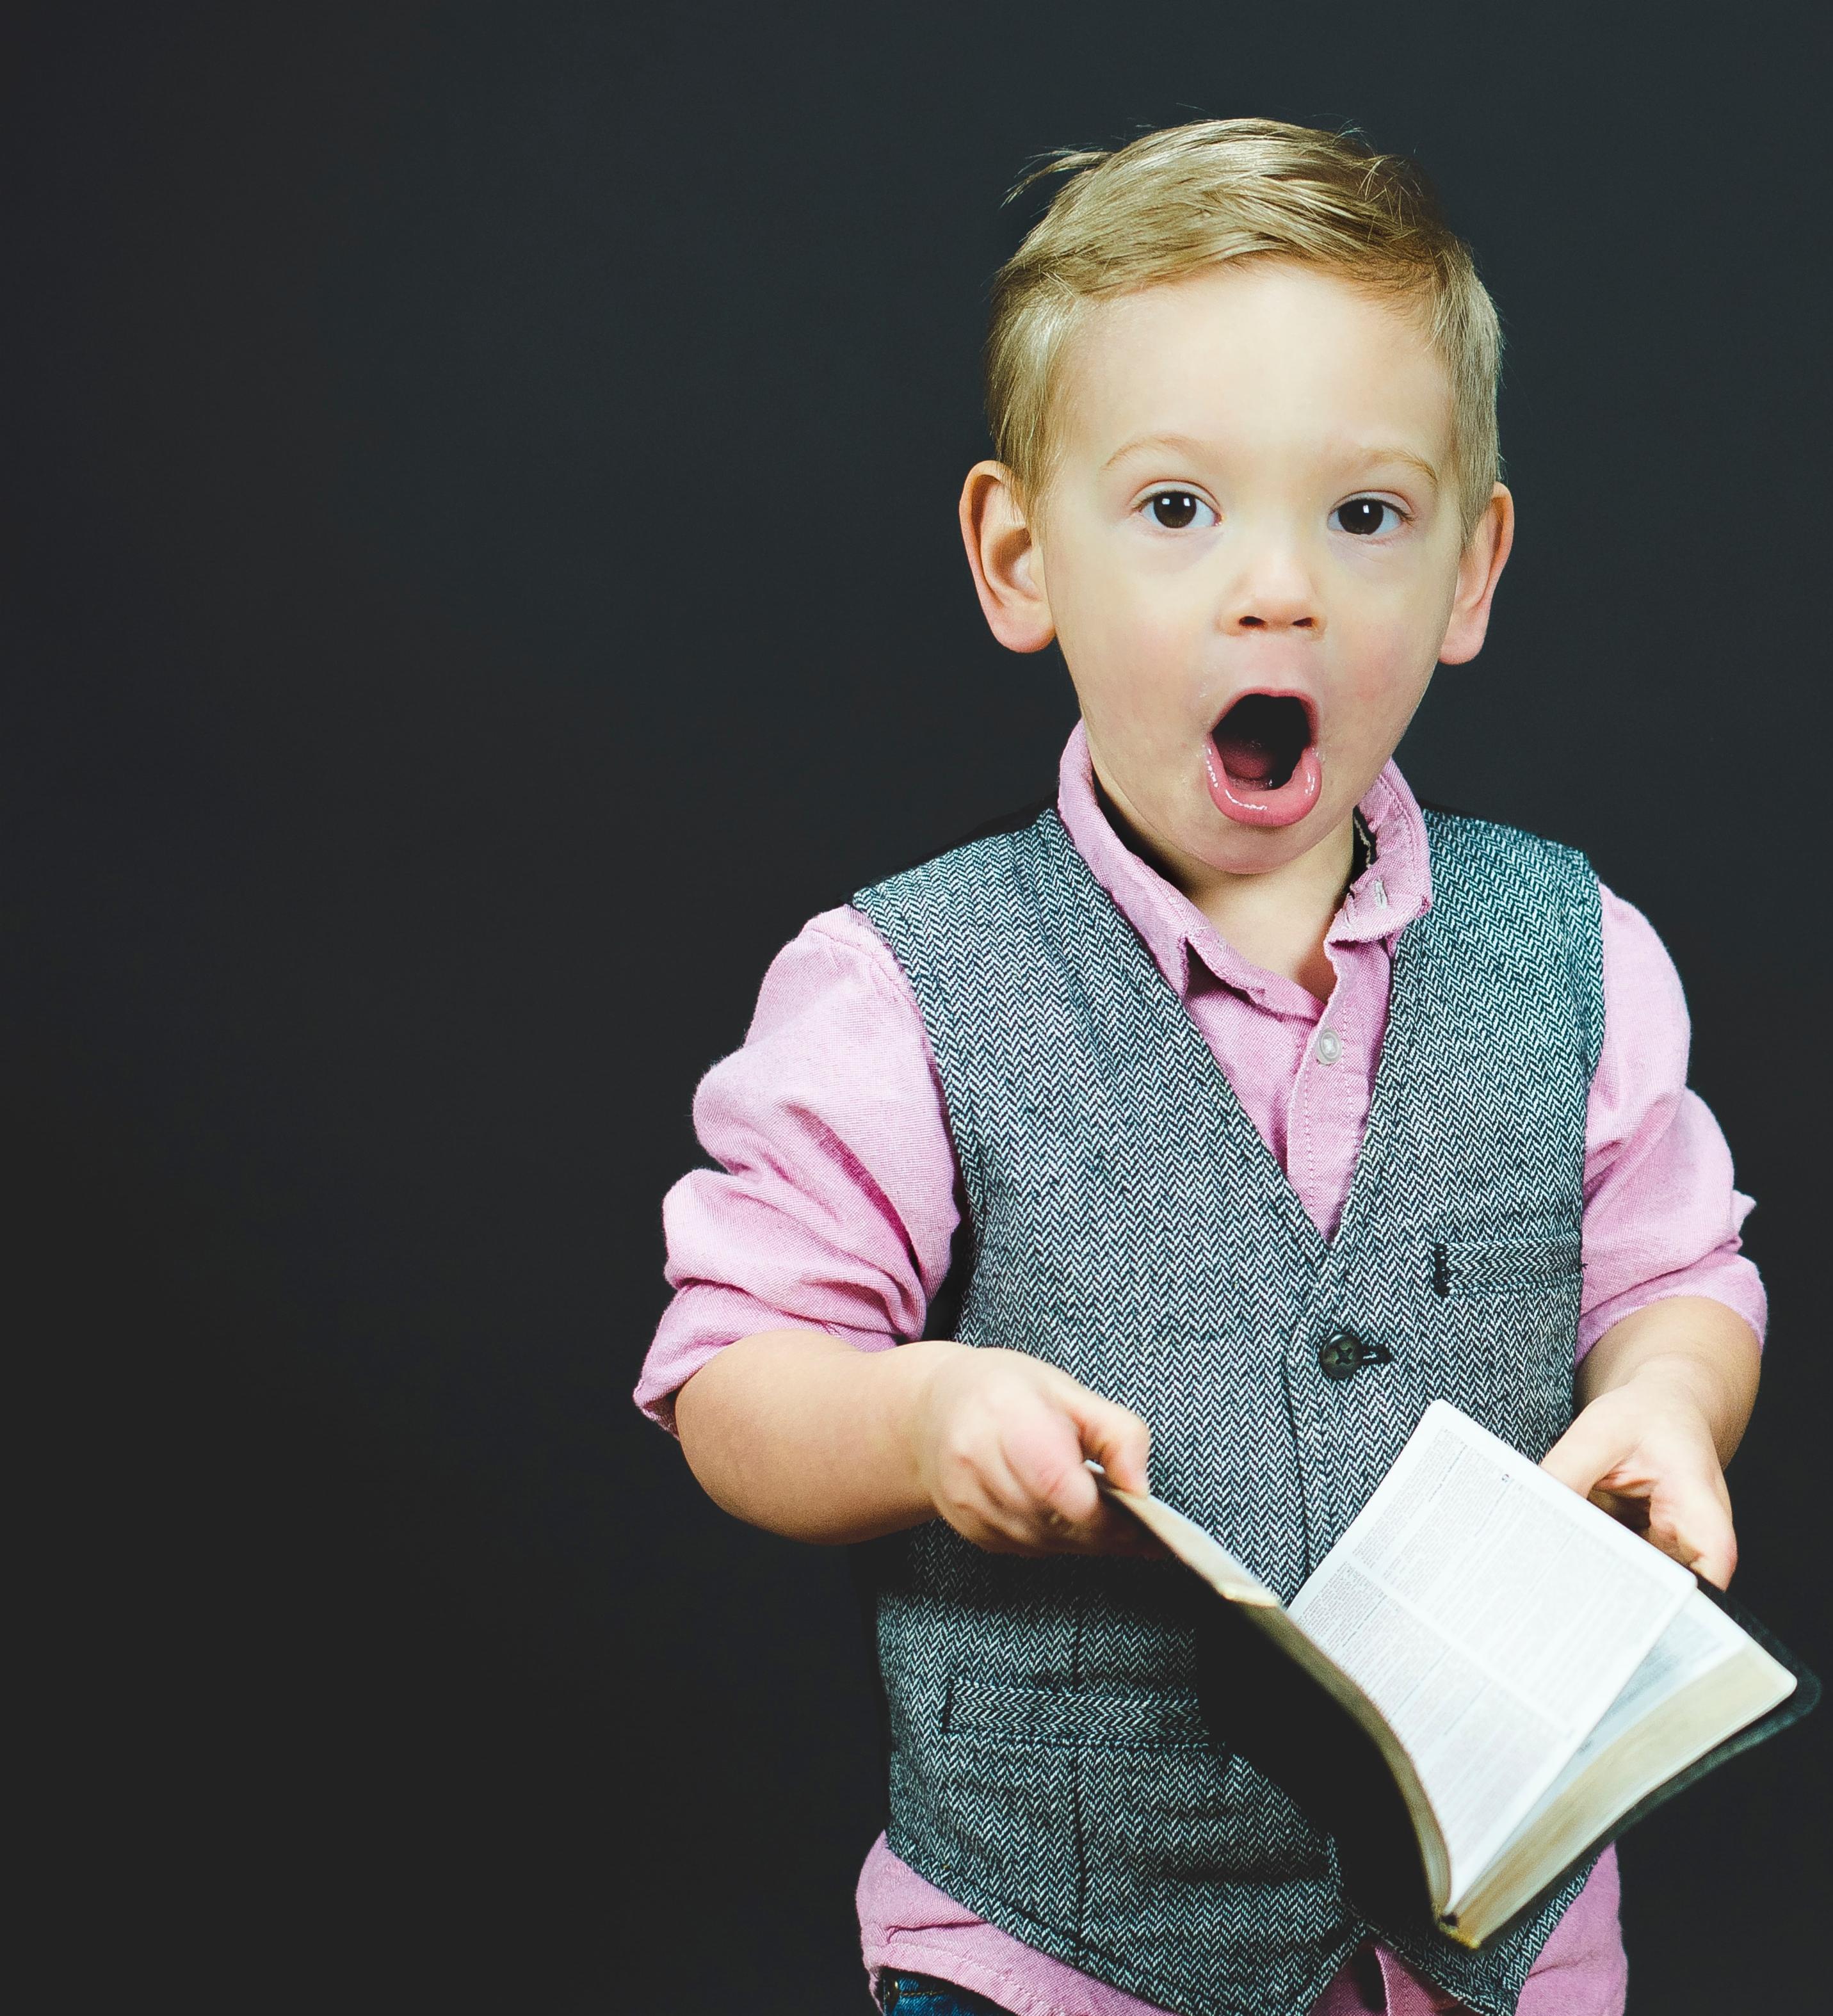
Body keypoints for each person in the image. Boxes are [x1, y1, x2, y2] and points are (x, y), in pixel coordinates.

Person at [635, 118, 1766, 2016]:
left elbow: (1679, 1274)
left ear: (1471, 573)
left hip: (1499, 1940)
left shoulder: (1576, 956)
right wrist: (919, 1419)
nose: (1278, 592)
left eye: (1365, 516)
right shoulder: (900, 988)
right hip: (1059, 1954)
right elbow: (729, 1373)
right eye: (1177, 511)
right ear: (1020, 556)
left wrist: (1671, 1399)